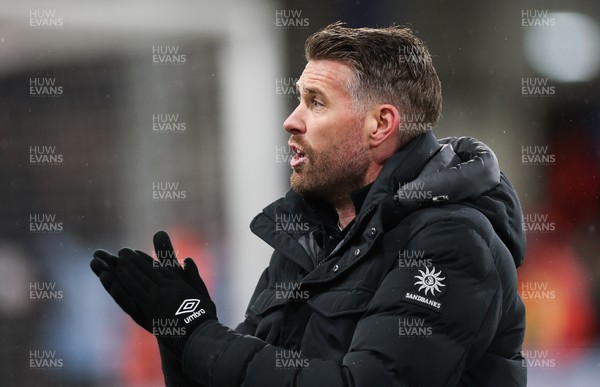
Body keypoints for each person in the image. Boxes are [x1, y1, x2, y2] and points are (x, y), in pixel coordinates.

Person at [91, 22, 527, 386]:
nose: (291, 120)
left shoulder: (451, 240)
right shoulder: (307, 240)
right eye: (298, 99)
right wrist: (179, 332)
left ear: (380, 125)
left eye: (315, 103)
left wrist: (201, 338)